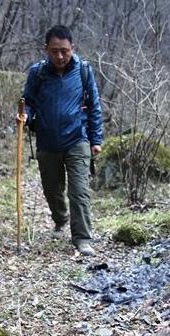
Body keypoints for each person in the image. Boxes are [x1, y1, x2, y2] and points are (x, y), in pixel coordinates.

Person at [19, 25, 103, 255]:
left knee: (79, 191)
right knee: (52, 190)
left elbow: (94, 106)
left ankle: (82, 238)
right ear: (46, 49)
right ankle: (60, 219)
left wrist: (96, 139)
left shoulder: (84, 71)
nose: (60, 56)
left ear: (72, 48)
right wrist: (25, 114)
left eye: (64, 51)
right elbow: (29, 101)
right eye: (55, 51)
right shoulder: (37, 73)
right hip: (47, 141)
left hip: (77, 139)